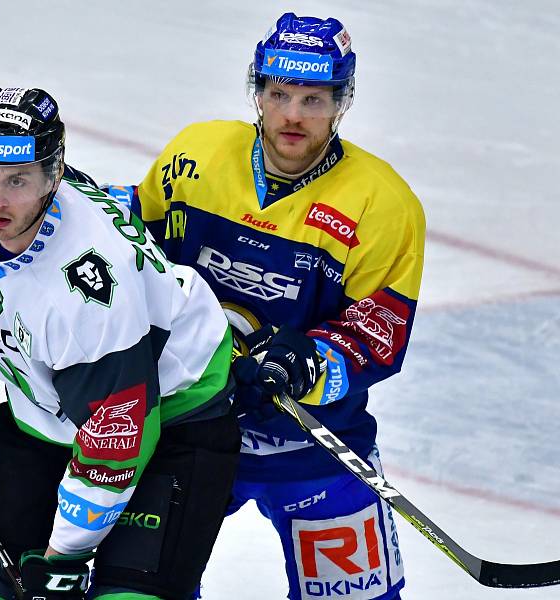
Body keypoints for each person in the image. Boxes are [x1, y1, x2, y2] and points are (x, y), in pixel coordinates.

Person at [0, 85, 241, 600]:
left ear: (52, 175)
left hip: (174, 415)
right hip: (47, 410)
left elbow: (118, 435)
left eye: (18, 179)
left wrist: (63, 561)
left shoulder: (89, 283)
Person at [102, 12, 425, 600]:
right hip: (191, 431)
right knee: (134, 591)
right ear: (258, 91)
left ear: (342, 101)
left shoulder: (382, 203)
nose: (293, 115)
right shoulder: (196, 154)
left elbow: (380, 328)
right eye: (278, 94)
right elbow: (134, 242)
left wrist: (309, 362)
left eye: (313, 97)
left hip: (316, 447)